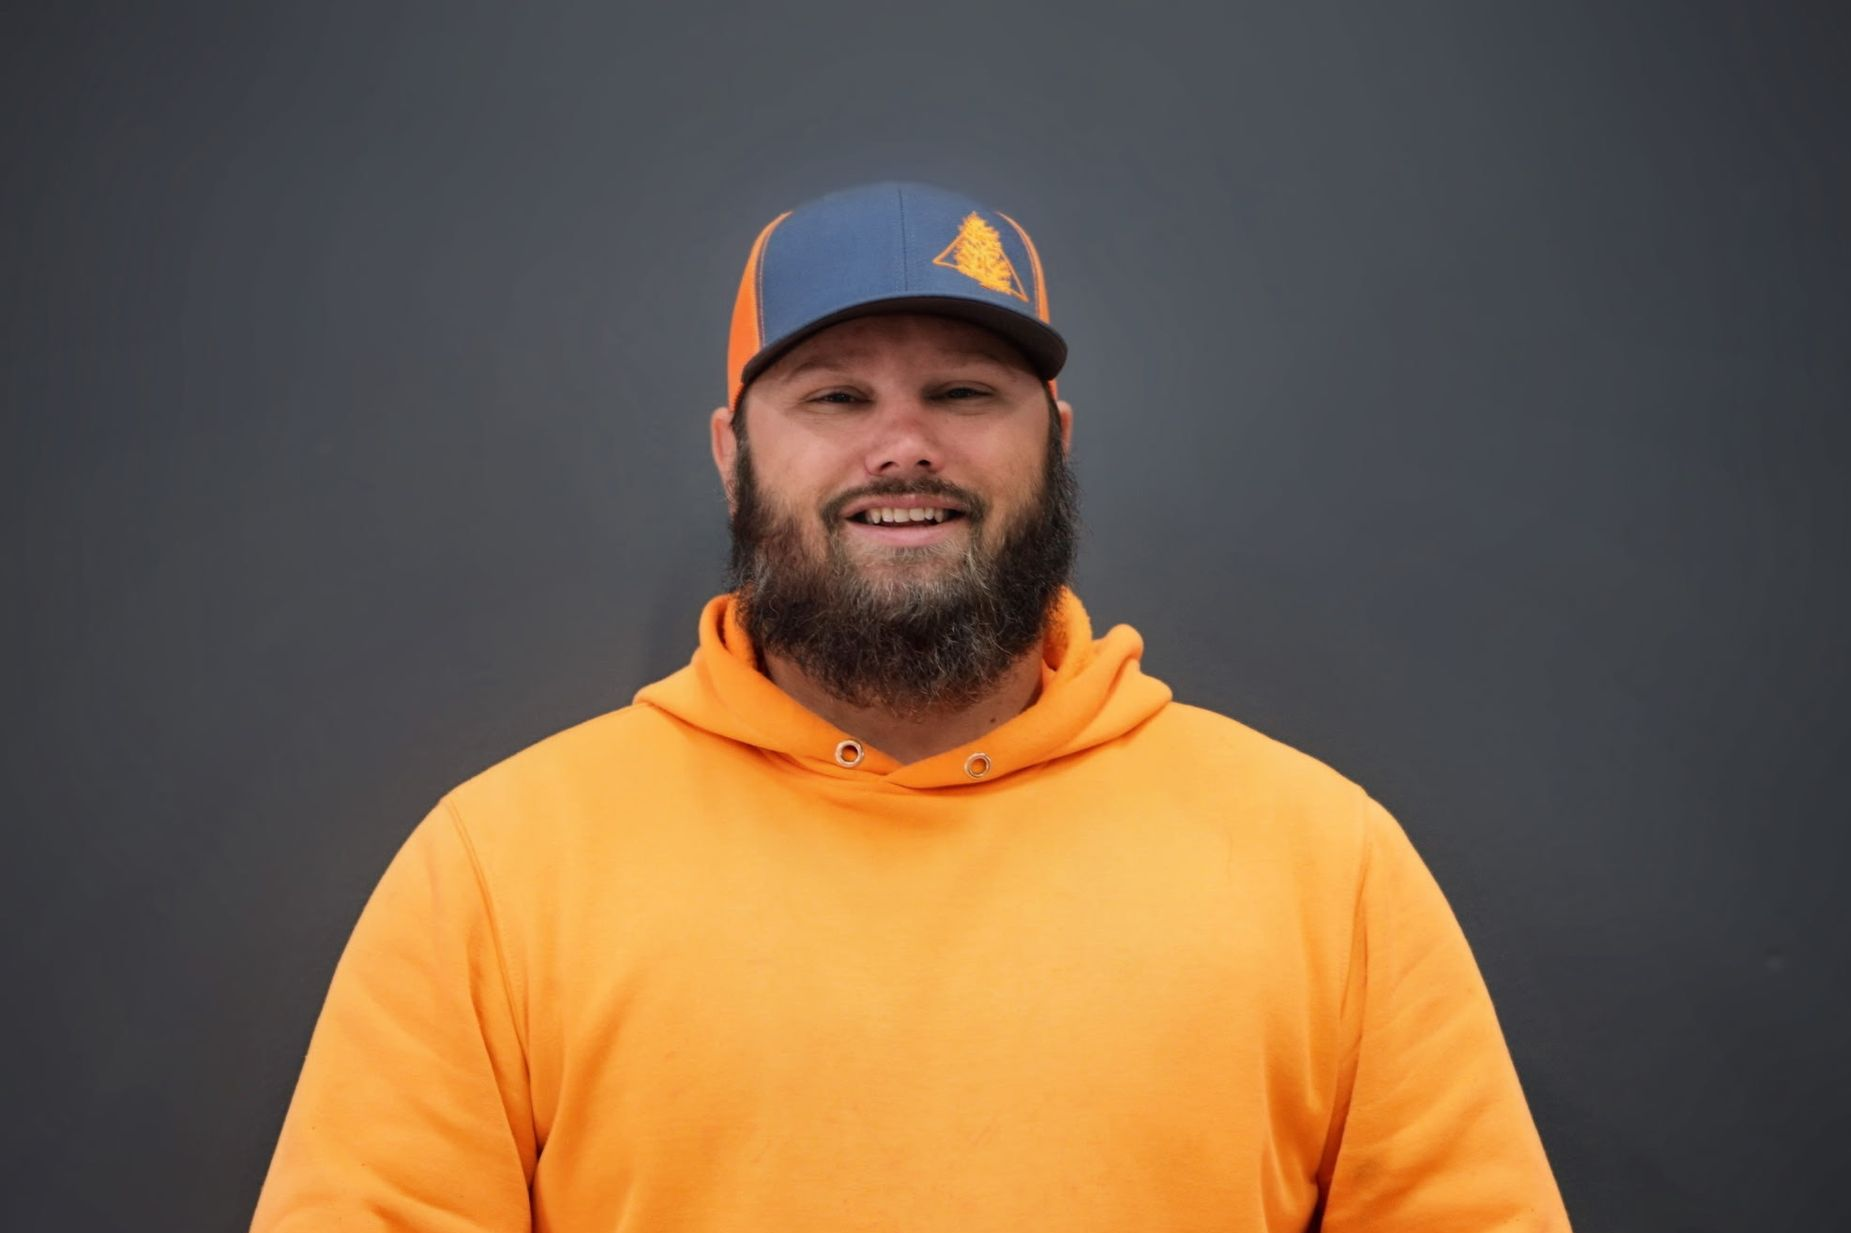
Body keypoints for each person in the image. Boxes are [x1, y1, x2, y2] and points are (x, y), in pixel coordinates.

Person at [251, 181, 1573, 1232]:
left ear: (1056, 439)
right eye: (836, 396)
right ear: (731, 455)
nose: (904, 446)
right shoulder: (498, 871)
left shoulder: (1321, 861)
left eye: (963, 393)